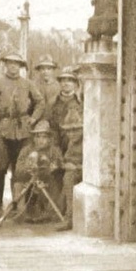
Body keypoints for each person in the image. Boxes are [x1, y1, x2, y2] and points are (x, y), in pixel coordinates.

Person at [0, 52, 44, 214]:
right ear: (5, 64)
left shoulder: (27, 83)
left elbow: (40, 102)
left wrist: (33, 119)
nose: (13, 66)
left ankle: (19, 205)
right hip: (3, 129)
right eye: (10, 63)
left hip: (23, 131)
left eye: (16, 64)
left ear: (21, 66)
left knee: (21, 169)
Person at [46, 66, 83, 230]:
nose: (66, 84)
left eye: (70, 81)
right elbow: (50, 127)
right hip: (57, 144)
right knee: (54, 177)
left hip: (76, 146)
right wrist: (54, 149)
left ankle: (69, 215)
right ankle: (55, 212)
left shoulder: (81, 104)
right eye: (63, 81)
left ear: (76, 84)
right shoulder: (53, 104)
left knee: (70, 178)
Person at [11, 120, 64, 222]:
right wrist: (28, 168)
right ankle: (21, 213)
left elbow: (60, 166)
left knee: (54, 185)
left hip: (47, 183)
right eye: (37, 137)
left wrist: (53, 167)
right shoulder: (26, 150)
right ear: (33, 138)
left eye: (44, 137)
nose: (40, 140)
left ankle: (49, 213)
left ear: (49, 139)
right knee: (18, 185)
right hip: (29, 182)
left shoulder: (55, 151)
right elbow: (18, 171)